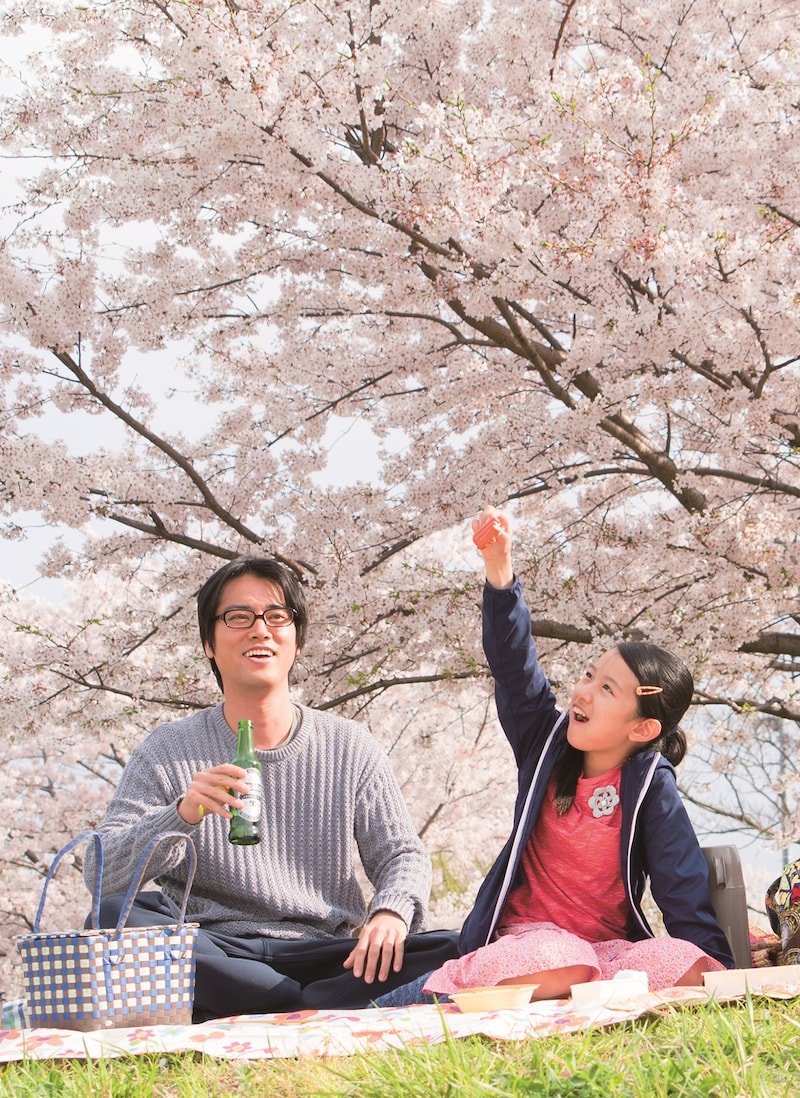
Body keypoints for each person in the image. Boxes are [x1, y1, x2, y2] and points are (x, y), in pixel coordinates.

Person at [375, 507, 734, 1007]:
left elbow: (682, 883)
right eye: (589, 676)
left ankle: (581, 992)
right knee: (557, 958)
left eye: (606, 688)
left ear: (642, 728)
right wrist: (499, 569)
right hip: (531, 944)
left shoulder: (650, 784)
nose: (583, 692)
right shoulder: (544, 741)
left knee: (687, 962)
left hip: (607, 953)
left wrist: (719, 973)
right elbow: (514, 666)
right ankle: (433, 995)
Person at [84, 555, 459, 1021]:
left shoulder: (349, 745)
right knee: (112, 918)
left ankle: (269, 1005)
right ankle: (310, 1007)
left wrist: (391, 914)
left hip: (326, 953)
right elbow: (101, 875)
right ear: (208, 643)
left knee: (459, 945)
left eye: (277, 616)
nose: (260, 630)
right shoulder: (167, 750)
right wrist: (180, 815)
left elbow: (402, 855)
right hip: (215, 950)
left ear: (297, 641)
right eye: (239, 617)